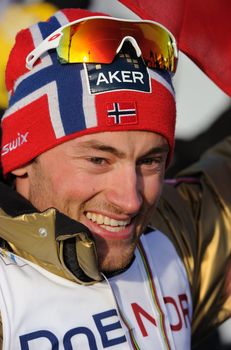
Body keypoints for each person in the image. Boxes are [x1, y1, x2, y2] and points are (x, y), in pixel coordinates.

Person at [0, 7, 230, 350]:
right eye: (98, 160)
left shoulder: (174, 235)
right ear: (22, 159)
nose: (131, 200)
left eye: (150, 161)